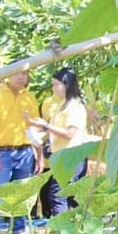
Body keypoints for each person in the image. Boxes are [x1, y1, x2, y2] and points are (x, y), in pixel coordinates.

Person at [0, 71, 42, 234]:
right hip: (1, 152)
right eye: (17, 73)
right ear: (8, 74)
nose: (20, 77)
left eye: (25, 74)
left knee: (23, 193)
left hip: (25, 152)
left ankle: (20, 230)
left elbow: (33, 128)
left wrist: (39, 154)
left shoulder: (29, 98)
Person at [31, 67, 89, 217]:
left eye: (57, 84)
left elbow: (70, 133)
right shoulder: (61, 106)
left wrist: (46, 126)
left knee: (59, 195)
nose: (54, 88)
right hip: (62, 156)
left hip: (71, 156)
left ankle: (61, 229)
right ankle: (66, 227)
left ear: (67, 85)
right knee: (61, 194)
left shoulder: (75, 107)